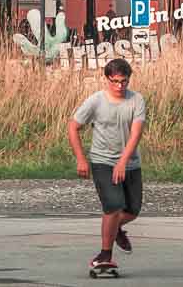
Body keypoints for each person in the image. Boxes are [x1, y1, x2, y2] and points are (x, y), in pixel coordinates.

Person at [67, 58, 145, 272]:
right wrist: (81, 159)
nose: (120, 86)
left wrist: (123, 162)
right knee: (113, 206)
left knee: (133, 210)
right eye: (115, 81)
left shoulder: (137, 100)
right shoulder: (96, 101)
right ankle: (104, 254)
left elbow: (136, 134)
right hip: (102, 161)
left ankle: (116, 229)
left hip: (130, 163)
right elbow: (73, 127)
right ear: (107, 79)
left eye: (124, 81)